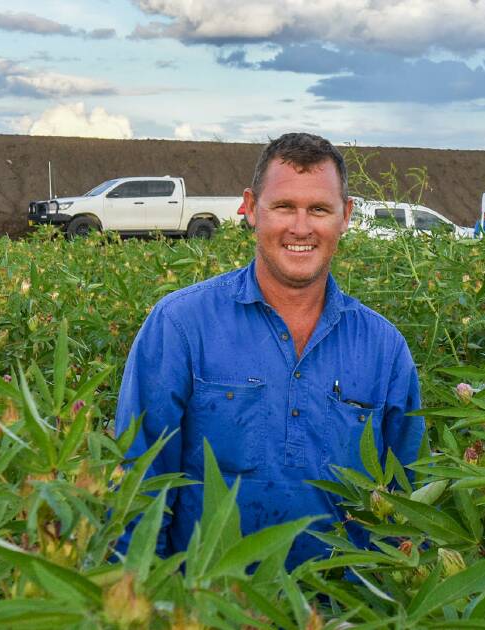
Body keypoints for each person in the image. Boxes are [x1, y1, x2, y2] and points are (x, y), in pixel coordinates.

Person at [114, 132, 424, 569]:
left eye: (318, 209)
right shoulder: (180, 325)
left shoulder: (383, 348)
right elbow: (138, 483)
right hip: (209, 604)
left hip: (344, 610)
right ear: (251, 209)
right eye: (283, 207)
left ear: (346, 215)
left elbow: (410, 500)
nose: (301, 227)